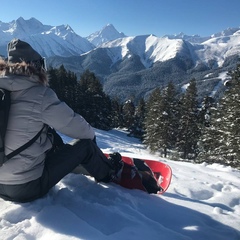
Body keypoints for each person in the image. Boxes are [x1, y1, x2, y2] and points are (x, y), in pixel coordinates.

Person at [0, 38, 122, 203]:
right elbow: (76, 127)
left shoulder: (3, 90)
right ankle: (110, 172)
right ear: (36, 66)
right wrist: (92, 141)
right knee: (85, 146)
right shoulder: (39, 94)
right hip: (26, 187)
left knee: (46, 133)